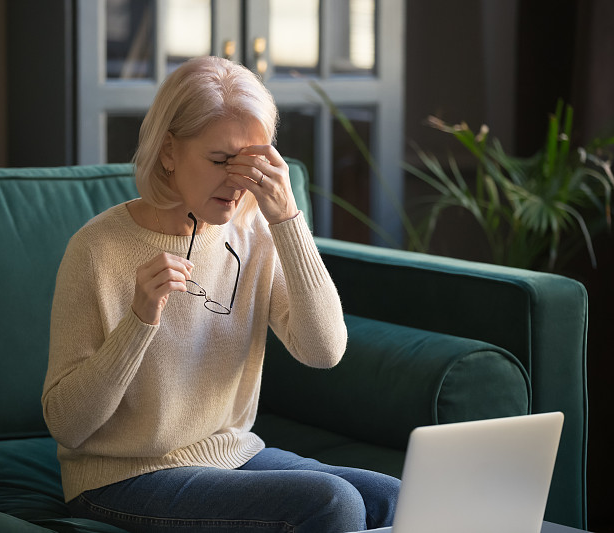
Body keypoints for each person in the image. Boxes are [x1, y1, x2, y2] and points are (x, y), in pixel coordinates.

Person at [42, 55, 399, 533]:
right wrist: (139, 321)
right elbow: (66, 424)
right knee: (333, 506)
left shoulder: (255, 231)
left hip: (231, 456)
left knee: (398, 499)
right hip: (122, 477)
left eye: (251, 161)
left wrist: (288, 221)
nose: (238, 181)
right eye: (220, 160)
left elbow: (324, 351)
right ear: (168, 151)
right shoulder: (97, 249)